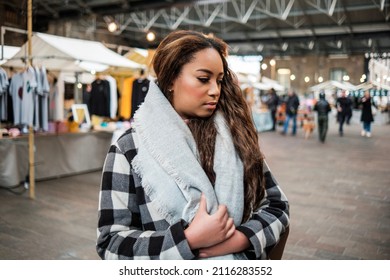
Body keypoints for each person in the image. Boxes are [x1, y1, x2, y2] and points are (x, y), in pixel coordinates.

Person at [96, 30, 290, 260]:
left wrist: (241, 239)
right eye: (203, 79)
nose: (215, 90)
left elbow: (277, 205)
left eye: (219, 80)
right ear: (170, 80)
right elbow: (110, 242)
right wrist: (187, 241)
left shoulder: (236, 135)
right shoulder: (129, 148)